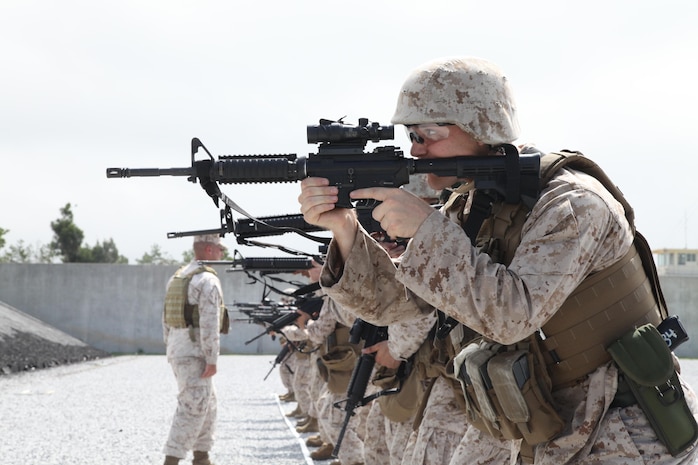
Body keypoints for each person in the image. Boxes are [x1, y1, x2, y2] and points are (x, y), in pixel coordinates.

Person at [298, 56, 698, 464]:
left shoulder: (572, 204)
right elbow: (396, 307)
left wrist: (426, 232)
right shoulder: (475, 204)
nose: (416, 150)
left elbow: (513, 316)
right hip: (543, 421)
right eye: (411, 135)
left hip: (623, 430)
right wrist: (346, 230)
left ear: (482, 127)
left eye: (428, 134)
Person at [162, 234, 229, 465]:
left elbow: (166, 319)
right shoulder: (207, 280)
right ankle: (171, 460)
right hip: (195, 353)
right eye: (219, 248)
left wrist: (170, 348)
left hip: (178, 349)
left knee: (207, 404)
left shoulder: (178, 277)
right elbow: (210, 323)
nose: (222, 253)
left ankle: (202, 457)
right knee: (192, 407)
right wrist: (212, 359)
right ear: (209, 250)